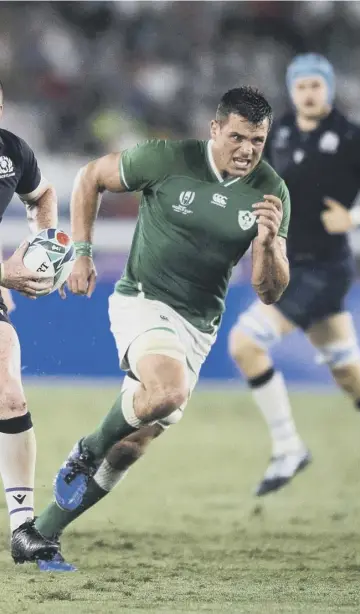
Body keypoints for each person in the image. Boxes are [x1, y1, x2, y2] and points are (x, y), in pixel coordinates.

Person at [13, 86, 291, 570]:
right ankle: (85, 449)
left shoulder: (271, 192)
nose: (247, 149)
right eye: (238, 137)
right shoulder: (167, 158)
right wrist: (81, 253)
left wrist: (268, 243)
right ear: (215, 129)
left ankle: (39, 535)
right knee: (166, 392)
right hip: (143, 299)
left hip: (198, 327)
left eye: (258, 140)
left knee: (130, 447)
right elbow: (89, 177)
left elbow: (270, 291)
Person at [228, 54, 360, 510]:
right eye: (301, 86)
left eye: (317, 84)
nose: (309, 93)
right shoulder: (277, 134)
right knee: (349, 370)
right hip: (290, 262)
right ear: (292, 91)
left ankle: (287, 448)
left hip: (322, 269)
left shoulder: (354, 137)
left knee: (245, 342)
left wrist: (357, 215)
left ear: (330, 89)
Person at [0, 80, 60, 563]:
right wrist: (5, 274)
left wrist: (37, 250)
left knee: (9, 390)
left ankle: (22, 528)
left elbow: (42, 196)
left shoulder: (12, 151)